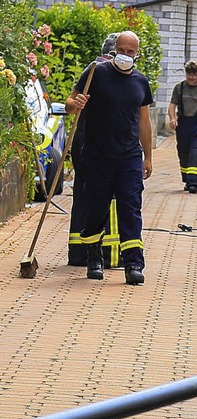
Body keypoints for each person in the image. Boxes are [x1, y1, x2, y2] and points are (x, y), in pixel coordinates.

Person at [65, 31, 153, 286]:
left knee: (130, 207)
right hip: (97, 155)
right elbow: (70, 103)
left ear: (137, 53)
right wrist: (76, 103)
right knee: (96, 208)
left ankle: (134, 263)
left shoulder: (140, 82)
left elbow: (144, 122)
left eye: (130, 52)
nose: (125, 55)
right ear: (114, 49)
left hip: (128, 157)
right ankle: (94, 257)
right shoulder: (96, 72)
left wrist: (148, 157)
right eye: (122, 50)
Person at [68, 33, 122, 268]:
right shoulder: (101, 71)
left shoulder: (94, 70)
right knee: (108, 197)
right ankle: (108, 254)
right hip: (96, 142)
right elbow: (71, 103)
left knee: (82, 194)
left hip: (87, 140)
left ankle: (78, 253)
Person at [168, 60, 197, 194]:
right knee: (183, 152)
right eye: (189, 74)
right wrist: (173, 118)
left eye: (194, 74)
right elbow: (172, 105)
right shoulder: (179, 88)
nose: (191, 77)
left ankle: (193, 182)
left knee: (196, 152)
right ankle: (186, 178)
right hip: (183, 123)